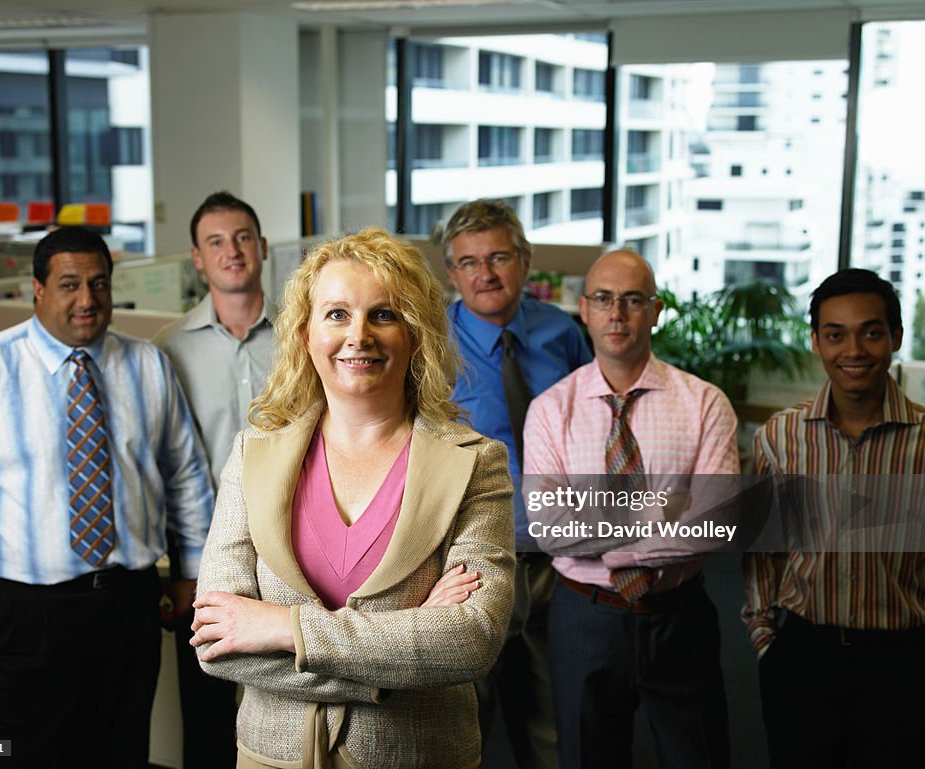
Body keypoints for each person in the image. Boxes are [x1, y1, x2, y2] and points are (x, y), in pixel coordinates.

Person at [189, 227, 516, 769]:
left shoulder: (474, 464)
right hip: (273, 756)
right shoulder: (254, 455)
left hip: (417, 756)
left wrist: (279, 626)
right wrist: (401, 651)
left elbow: (469, 640)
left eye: (384, 314)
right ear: (304, 333)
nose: (358, 334)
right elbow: (215, 642)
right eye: (336, 314)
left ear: (415, 334)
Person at [0, 227, 214, 769]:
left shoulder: (147, 365)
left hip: (127, 607)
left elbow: (185, 475)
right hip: (19, 610)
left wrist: (192, 571)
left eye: (99, 284)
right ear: (37, 290)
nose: (86, 300)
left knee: (121, 753)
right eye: (69, 284)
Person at [523, 249, 737, 769]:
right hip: (584, 620)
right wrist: (664, 513)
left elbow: (716, 526)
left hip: (679, 616)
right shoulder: (551, 409)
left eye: (632, 299)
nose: (616, 312)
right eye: (603, 299)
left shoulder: (705, 403)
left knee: (700, 757)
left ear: (656, 310)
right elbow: (549, 528)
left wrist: (603, 534)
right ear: (585, 310)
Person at [742, 269, 925, 768]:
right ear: (816, 341)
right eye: (835, 334)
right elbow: (763, 549)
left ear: (895, 337)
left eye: (871, 332)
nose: (854, 350)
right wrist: (765, 637)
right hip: (803, 655)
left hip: (902, 661)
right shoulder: (779, 437)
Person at [443, 198, 591, 769]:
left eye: (499, 256)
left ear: (525, 262)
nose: (486, 273)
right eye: (470, 262)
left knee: (552, 713)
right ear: (453, 274)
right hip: (474, 563)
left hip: (558, 556)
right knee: (465, 714)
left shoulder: (563, 333)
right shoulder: (431, 346)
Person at [154, 190, 274, 769]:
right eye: (216, 242)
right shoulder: (167, 352)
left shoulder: (306, 337)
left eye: (244, 238)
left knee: (286, 713)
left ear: (264, 248)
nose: (233, 252)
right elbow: (169, 470)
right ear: (197, 260)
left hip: (292, 558)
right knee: (205, 721)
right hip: (208, 565)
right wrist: (183, 574)